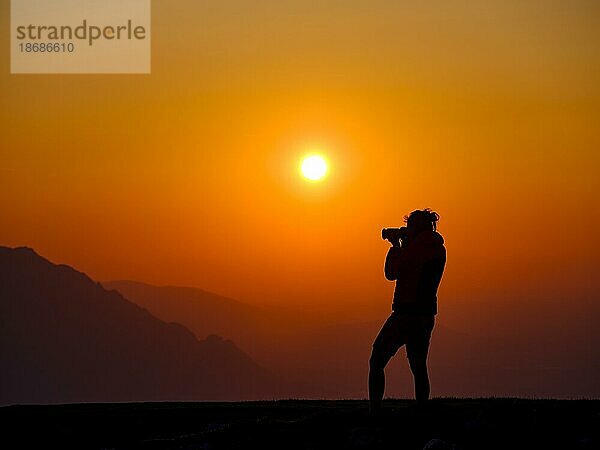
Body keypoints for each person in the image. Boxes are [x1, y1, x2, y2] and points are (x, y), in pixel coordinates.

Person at [369, 208, 446, 414]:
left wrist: (396, 246)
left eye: (409, 227)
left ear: (416, 228)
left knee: (377, 359)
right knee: (418, 365)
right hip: (426, 314)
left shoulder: (415, 249)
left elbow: (392, 272)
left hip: (405, 314)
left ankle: (374, 411)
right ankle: (422, 410)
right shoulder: (438, 248)